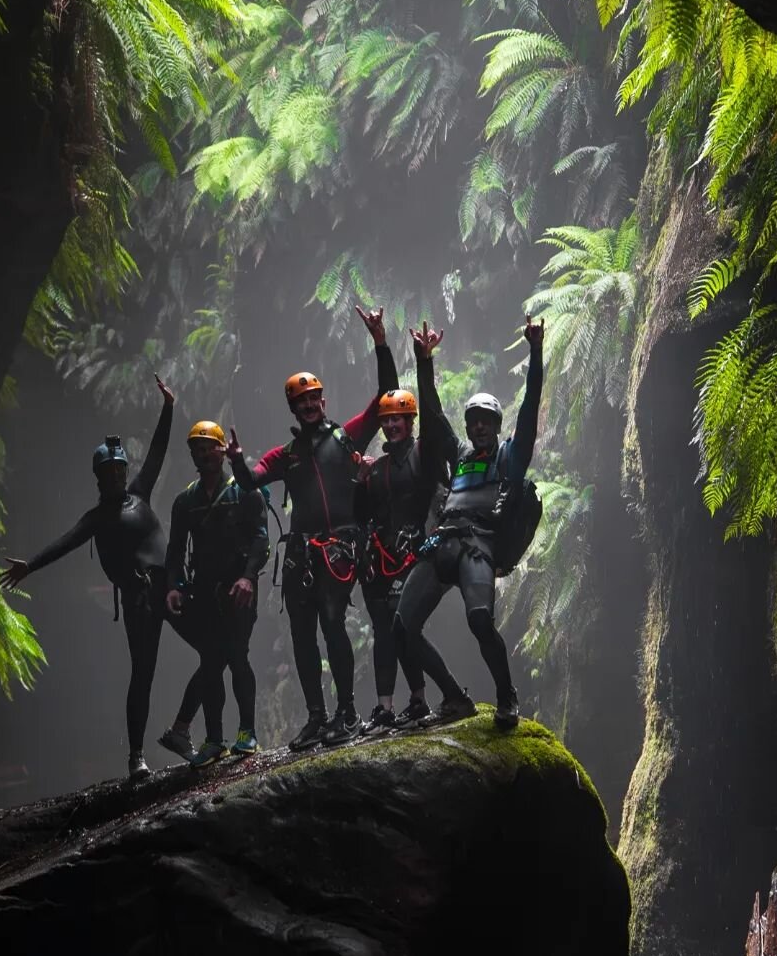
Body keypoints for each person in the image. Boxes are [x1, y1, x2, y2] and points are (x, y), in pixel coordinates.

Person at [225, 306, 398, 750]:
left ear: (322, 401)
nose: (309, 404)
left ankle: (347, 713)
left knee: (333, 621)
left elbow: (386, 395)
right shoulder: (285, 455)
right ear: (294, 408)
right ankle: (318, 718)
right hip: (302, 551)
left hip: (340, 547)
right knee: (302, 634)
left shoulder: (346, 437)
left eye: (314, 398)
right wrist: (236, 461)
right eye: (301, 401)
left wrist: (380, 342)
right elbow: (252, 482)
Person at [0, 375, 174, 779]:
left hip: (170, 590)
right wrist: (29, 565)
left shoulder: (141, 492)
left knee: (210, 645)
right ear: (98, 479)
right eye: (108, 473)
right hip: (139, 600)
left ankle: (198, 730)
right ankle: (136, 756)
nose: (115, 478)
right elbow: (64, 543)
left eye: (118, 471)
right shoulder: (96, 519)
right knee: (142, 674)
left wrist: (168, 408)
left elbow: (158, 453)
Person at [393, 316, 544, 730]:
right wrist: (424, 362)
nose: (479, 426)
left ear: (496, 426)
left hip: (479, 544)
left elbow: (529, 408)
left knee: (479, 621)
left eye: (486, 421)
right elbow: (433, 415)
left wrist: (535, 352)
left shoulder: (509, 457)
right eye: (473, 420)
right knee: (402, 627)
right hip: (444, 541)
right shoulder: (458, 454)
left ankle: (505, 696)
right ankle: (455, 698)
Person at [356, 383, 474, 731]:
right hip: (387, 558)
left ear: (410, 421)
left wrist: (424, 362)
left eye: (399, 419)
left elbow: (435, 419)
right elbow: (364, 512)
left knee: (404, 627)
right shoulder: (379, 468)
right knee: (395, 628)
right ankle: (420, 700)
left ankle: (443, 695)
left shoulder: (426, 454)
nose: (392, 426)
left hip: (424, 553)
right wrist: (359, 481)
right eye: (387, 420)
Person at [155, 418, 270, 769]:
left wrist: (249, 578)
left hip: (238, 591)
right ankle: (214, 739)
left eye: (209, 447)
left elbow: (261, 539)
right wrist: (174, 586)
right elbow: (174, 552)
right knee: (209, 663)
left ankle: (247, 733)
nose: (203, 454)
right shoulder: (185, 501)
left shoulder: (244, 491)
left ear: (222, 451)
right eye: (197, 449)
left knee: (237, 657)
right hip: (204, 593)